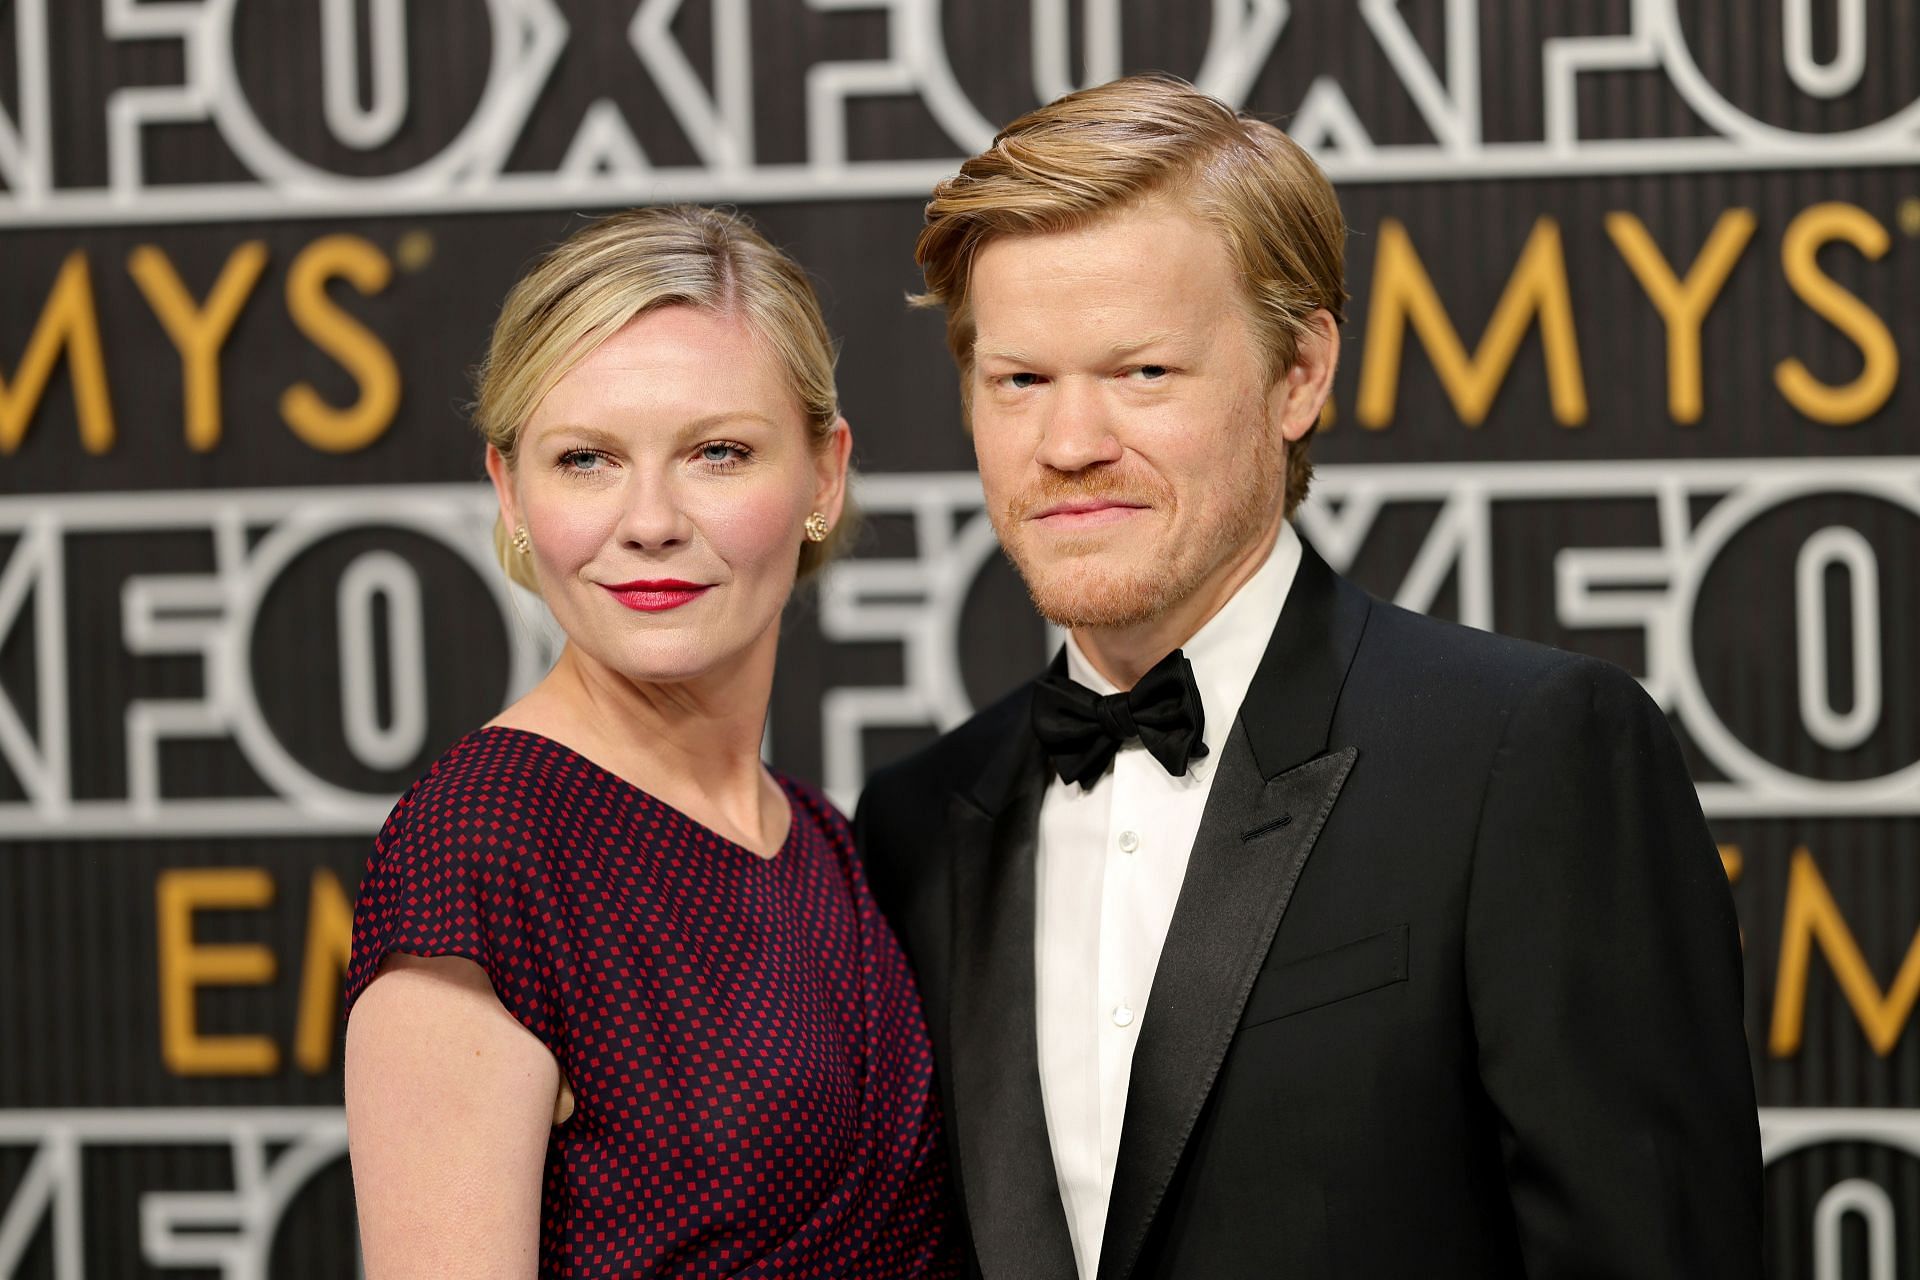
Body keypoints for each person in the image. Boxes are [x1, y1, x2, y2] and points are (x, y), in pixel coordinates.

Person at [855, 75, 1762, 1278]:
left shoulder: (1525, 753)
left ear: (1300, 375)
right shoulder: (918, 819)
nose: (1067, 444)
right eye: (1019, 380)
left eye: (1142, 374)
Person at [343, 205, 957, 1279]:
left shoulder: (818, 835)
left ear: (824, 473)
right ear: (510, 490)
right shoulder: (481, 857)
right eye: (586, 459)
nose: (651, 519)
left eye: (718, 451)